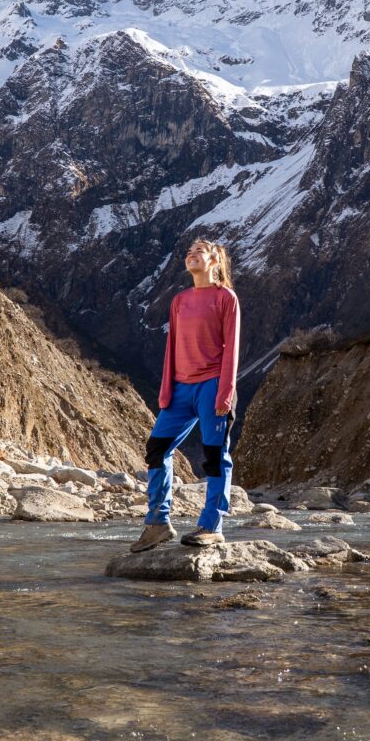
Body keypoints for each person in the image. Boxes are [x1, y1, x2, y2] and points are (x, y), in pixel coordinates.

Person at [130, 237, 241, 552]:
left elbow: (232, 349)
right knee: (156, 449)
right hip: (180, 388)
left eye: (200, 252)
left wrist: (225, 393)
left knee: (215, 455)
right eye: (189, 252)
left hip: (213, 385)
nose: (192, 255)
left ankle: (211, 525)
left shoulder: (226, 298)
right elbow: (172, 348)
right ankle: (157, 523)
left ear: (214, 261)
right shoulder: (179, 301)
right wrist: (167, 389)